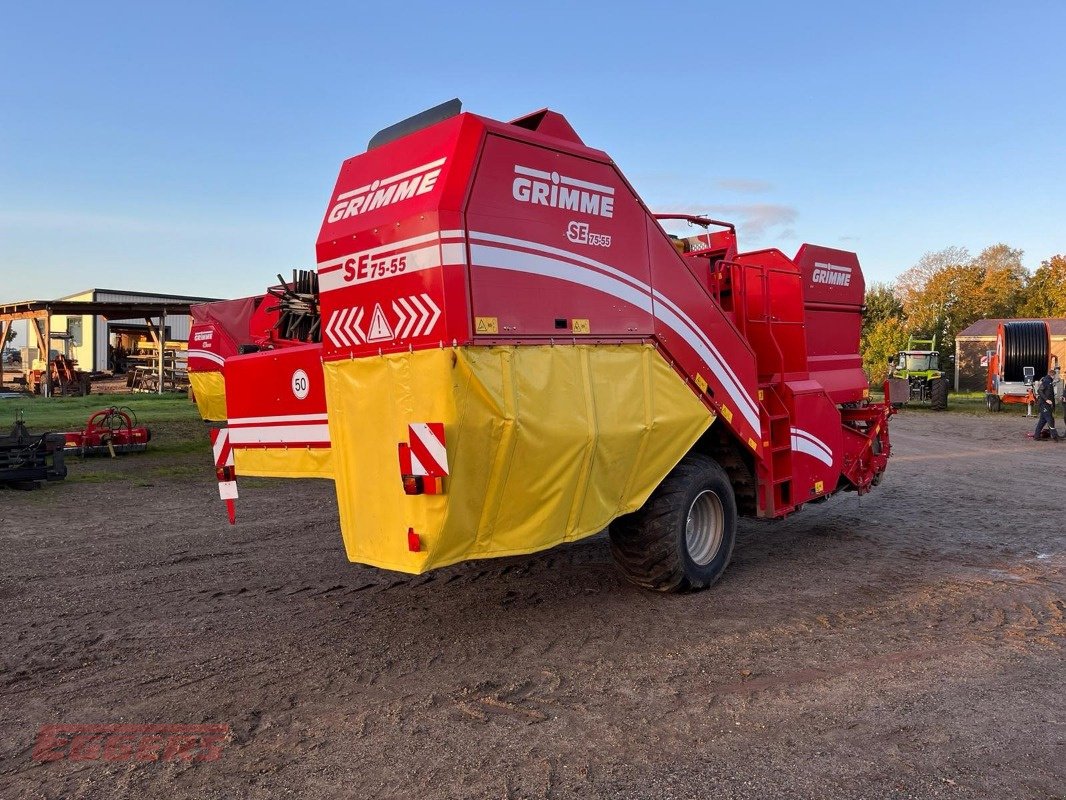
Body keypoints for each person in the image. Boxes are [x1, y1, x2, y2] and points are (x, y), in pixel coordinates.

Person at [1034, 371, 1060, 441]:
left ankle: (1036, 436)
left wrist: (1052, 405)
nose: (1056, 377)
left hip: (1047, 405)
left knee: (1042, 421)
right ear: (1053, 375)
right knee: (1050, 419)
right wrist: (1046, 400)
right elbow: (1039, 391)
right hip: (1044, 404)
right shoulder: (1046, 381)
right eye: (1056, 375)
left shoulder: (1049, 381)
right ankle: (1055, 436)